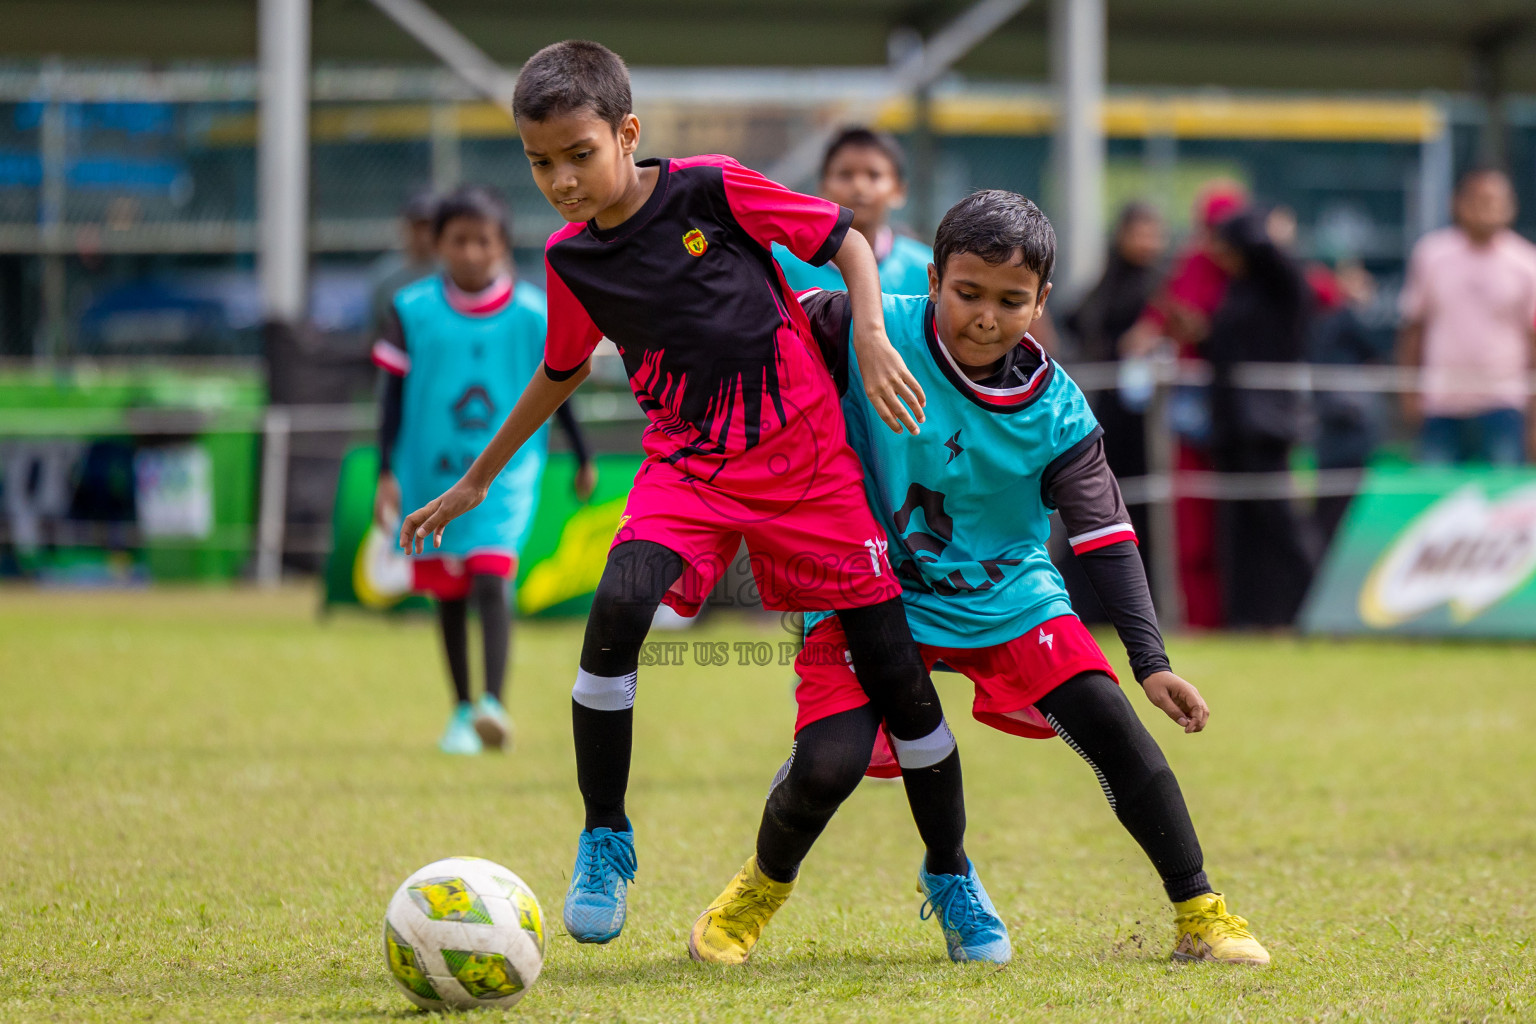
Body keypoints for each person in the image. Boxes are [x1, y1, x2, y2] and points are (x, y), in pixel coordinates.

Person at [397, 41, 1004, 964]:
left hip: (811, 474)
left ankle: (952, 873)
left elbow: (842, 237)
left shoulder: (710, 189)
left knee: (898, 680)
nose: (560, 181)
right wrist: (479, 477)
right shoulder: (569, 261)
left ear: (626, 134)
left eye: (578, 154)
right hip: (689, 476)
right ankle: (606, 835)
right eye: (540, 162)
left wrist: (873, 336)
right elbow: (561, 368)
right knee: (618, 611)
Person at [754, 190, 1269, 966]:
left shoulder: (1060, 411)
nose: (986, 317)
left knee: (1109, 720)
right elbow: (744, 313)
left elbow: (1106, 535)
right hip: (870, 587)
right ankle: (755, 894)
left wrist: (1151, 662)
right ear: (933, 279)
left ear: (1042, 302)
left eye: (1011, 300)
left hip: (1006, 595)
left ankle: (1202, 912)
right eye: (968, 293)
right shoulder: (864, 323)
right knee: (828, 765)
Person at [373, 185, 595, 755]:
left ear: (502, 246)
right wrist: (385, 472)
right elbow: (391, 397)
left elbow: (558, 386)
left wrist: (583, 454)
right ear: (437, 244)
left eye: (484, 241)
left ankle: (493, 703)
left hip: (506, 475)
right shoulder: (412, 310)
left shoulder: (533, 313)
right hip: (431, 471)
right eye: (459, 240)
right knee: (447, 591)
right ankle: (461, 709)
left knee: (493, 575)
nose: (471, 252)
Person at [1122, 182, 1248, 629]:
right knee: (1192, 529)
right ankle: (1199, 619)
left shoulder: (1255, 272)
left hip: (1246, 420)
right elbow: (1155, 323)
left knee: (1244, 523)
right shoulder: (1191, 266)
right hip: (1192, 417)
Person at [1203, 208, 1313, 627]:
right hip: (1232, 424)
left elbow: (1274, 263)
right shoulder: (1239, 288)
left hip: (1267, 424)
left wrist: (1263, 235)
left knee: (1281, 524)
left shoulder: (1280, 284)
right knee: (1241, 529)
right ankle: (1250, 617)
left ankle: (1310, 610)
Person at [1062, 202, 1167, 605]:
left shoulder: (1161, 285)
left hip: (1149, 419)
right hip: (1109, 411)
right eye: (1139, 232)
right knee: (1099, 501)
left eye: (1153, 233)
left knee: (1147, 507)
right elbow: (1078, 319)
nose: (1147, 242)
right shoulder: (1108, 284)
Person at [1398, 167, 1536, 466]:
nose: (1489, 209)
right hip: (1441, 404)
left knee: (1504, 503)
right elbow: (1413, 329)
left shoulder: (1526, 263)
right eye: (1480, 200)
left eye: (1497, 200)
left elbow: (1533, 339)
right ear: (1458, 203)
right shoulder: (1431, 254)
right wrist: (1409, 394)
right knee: (1434, 503)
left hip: (1504, 403)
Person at [774, 126, 932, 296]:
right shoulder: (782, 264)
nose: (859, 187)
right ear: (823, 188)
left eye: (874, 175)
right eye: (845, 175)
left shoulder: (925, 269)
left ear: (899, 190)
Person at [1311, 260, 1388, 547]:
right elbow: (1375, 351)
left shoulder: (1327, 319)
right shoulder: (1343, 318)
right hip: (1346, 418)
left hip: (1338, 419)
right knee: (1342, 495)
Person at [367, 189, 440, 342]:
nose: (424, 235)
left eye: (429, 227)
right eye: (417, 226)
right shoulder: (386, 275)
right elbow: (376, 333)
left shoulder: (455, 272)